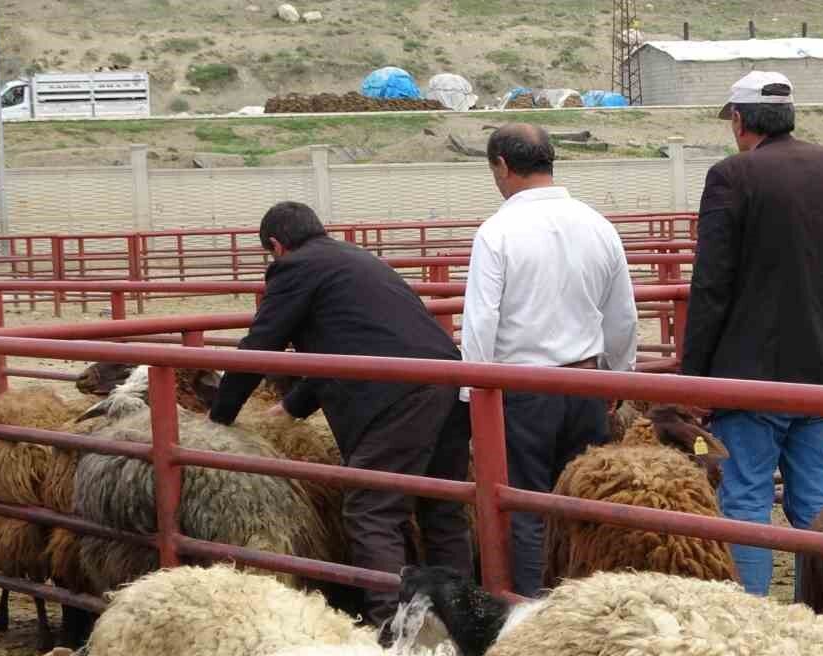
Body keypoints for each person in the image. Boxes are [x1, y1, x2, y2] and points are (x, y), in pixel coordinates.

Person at [209, 201, 472, 629]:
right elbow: (354, 338)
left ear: (276, 246)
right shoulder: (354, 259)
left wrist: (218, 418)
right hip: (446, 379)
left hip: (398, 395)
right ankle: (463, 620)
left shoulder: (295, 268)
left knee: (371, 509)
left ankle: (393, 630)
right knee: (441, 509)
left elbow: (260, 345)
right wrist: (294, 405)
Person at [682, 71, 823, 597]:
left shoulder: (732, 176)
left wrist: (693, 381)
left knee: (746, 499)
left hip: (751, 377)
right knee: (817, 498)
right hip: (822, 374)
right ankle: (821, 613)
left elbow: (712, 283)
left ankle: (750, 621)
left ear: (741, 120)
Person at [461, 123, 637, 598]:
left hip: (523, 391)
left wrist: (472, 399)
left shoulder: (497, 232)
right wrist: (617, 382)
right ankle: (588, 603)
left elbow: (480, 324)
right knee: (583, 502)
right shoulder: (598, 225)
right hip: (586, 385)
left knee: (526, 507)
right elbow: (622, 316)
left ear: (502, 166)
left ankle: (530, 611)